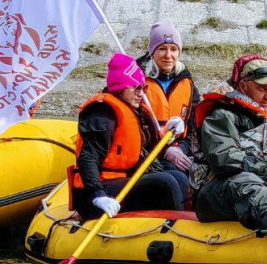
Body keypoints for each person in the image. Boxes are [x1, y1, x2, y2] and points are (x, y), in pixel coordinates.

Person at [71, 52, 190, 220]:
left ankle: (184, 222)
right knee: (166, 183)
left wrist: (167, 133)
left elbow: (142, 148)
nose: (141, 94)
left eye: (143, 88)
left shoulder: (135, 110)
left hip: (124, 180)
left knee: (178, 177)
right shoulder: (102, 113)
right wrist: (98, 194)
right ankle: (175, 226)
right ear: (120, 88)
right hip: (99, 190)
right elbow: (88, 157)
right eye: (136, 88)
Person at [195, 55, 267, 230]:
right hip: (218, 190)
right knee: (244, 182)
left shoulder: (261, 117)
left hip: (257, 180)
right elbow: (224, 159)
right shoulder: (222, 115)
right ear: (243, 86)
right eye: (262, 88)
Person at [136, 21, 199, 173]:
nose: (168, 55)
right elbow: (132, 129)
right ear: (152, 52)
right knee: (172, 178)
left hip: (178, 150)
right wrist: (164, 151)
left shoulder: (188, 84)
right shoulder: (136, 82)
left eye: (173, 49)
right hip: (145, 154)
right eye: (162, 49)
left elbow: (192, 131)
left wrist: (179, 149)